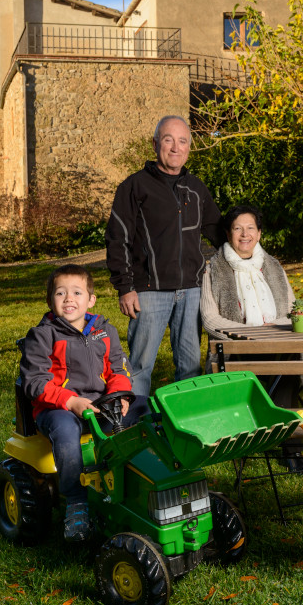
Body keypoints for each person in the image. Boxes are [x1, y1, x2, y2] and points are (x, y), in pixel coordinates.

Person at [19, 264, 148, 541]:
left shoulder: (104, 330)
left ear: (90, 300)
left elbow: (119, 368)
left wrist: (123, 395)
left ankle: (145, 475)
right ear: (50, 300)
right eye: (60, 293)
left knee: (148, 408)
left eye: (77, 292)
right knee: (66, 432)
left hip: (102, 403)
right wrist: (70, 401)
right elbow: (35, 382)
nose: (69, 299)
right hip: (58, 408)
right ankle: (76, 501)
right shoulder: (42, 336)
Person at [200, 205, 303, 471]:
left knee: (291, 359)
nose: (244, 234)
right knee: (285, 362)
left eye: (250, 228)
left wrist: (277, 330)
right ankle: (280, 440)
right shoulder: (214, 269)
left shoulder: (273, 266)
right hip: (237, 348)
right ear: (228, 233)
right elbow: (210, 319)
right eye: (237, 228)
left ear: (259, 233)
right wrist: (249, 334)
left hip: (278, 343)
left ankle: (282, 441)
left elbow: (293, 308)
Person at [106, 115, 224, 397]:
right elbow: (117, 238)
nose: (175, 147)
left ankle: (186, 426)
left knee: (190, 367)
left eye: (182, 141)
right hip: (148, 292)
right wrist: (125, 288)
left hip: (192, 291)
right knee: (139, 366)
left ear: (189, 148)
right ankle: (136, 426)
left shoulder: (196, 188)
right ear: (155, 143)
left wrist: (248, 253)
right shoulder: (134, 187)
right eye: (168, 140)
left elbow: (218, 232)